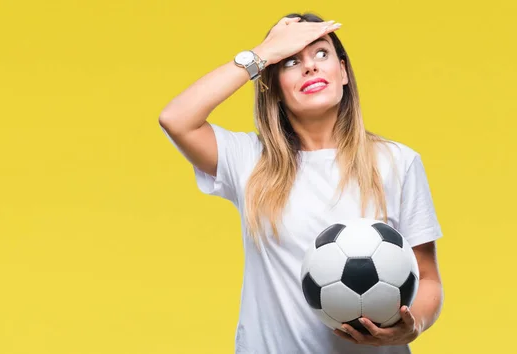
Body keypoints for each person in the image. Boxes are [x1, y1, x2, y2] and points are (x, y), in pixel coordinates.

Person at [158, 12, 444, 354]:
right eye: (291, 61)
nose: (310, 67)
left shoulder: (397, 162)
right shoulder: (251, 160)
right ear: (274, 87)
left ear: (343, 73)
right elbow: (176, 119)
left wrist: (411, 328)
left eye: (321, 54)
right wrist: (261, 54)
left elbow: (427, 279)